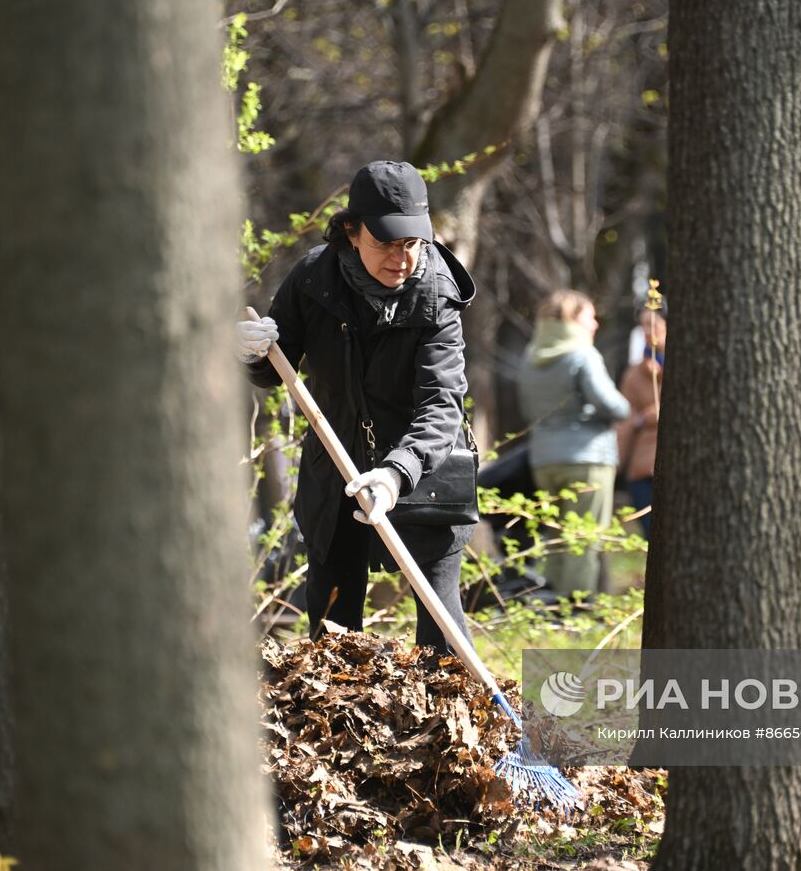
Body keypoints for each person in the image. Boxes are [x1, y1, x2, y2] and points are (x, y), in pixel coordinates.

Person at [236, 160, 477, 652]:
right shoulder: (313, 279)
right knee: (332, 624)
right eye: (386, 243)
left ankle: (452, 723)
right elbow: (274, 367)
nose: (401, 258)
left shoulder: (438, 294)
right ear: (350, 231)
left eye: (412, 243)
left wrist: (396, 473)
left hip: (425, 470)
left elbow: (441, 403)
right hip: (335, 467)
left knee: (440, 626)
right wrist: (250, 353)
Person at [516, 290, 630, 595]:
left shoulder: (530, 356)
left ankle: (549, 603)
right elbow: (613, 405)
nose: (595, 325)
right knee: (583, 538)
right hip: (587, 458)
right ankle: (576, 609)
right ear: (573, 319)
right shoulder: (583, 354)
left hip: (543, 459)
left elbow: (528, 409)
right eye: (590, 317)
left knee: (554, 535)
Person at [616, 309, 665, 537]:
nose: (648, 331)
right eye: (643, 326)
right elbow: (625, 425)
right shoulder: (634, 375)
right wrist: (615, 465)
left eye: (653, 324)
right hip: (642, 469)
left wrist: (651, 414)